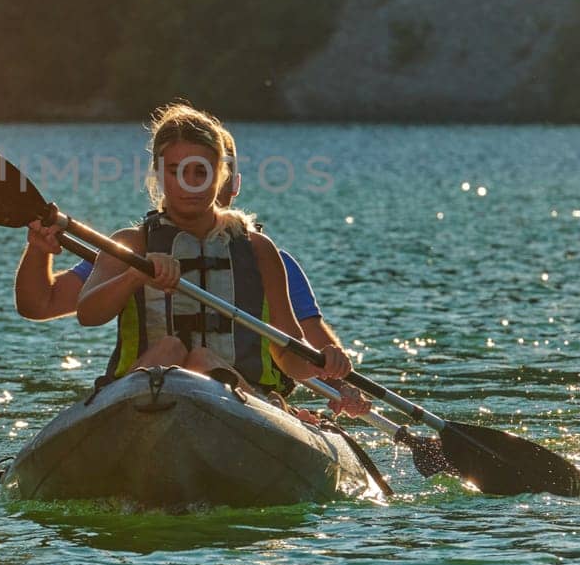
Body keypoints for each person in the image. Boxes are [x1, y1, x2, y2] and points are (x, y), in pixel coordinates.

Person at [49, 101, 355, 401]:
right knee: (170, 350)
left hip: (237, 400)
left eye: (201, 172)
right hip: (143, 392)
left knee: (200, 360)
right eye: (176, 171)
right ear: (158, 174)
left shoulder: (259, 249)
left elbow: (289, 356)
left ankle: (248, 400)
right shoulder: (131, 245)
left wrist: (322, 360)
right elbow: (88, 315)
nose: (189, 184)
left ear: (222, 175)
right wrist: (134, 276)